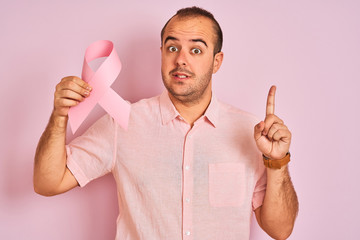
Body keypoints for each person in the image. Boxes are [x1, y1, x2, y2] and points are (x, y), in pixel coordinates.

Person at [34, 6, 298, 240]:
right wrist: (59, 117)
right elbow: (48, 182)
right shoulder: (123, 122)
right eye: (172, 48)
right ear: (161, 53)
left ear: (216, 61)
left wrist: (277, 163)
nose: (181, 59)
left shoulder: (250, 132)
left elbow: (280, 230)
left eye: (196, 49)